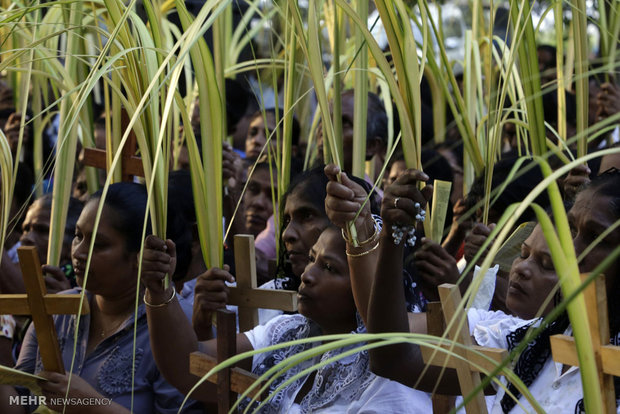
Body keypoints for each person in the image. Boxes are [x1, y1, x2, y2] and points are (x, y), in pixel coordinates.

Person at [364, 168, 620, 413]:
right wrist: (391, 236)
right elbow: (393, 357)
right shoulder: (528, 345)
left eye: (596, 237)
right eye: (572, 229)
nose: (571, 251)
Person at [141, 226, 431, 412]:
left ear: (370, 284)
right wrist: (159, 291)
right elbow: (189, 367)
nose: (306, 275)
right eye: (312, 259)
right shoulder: (291, 333)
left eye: (329, 268)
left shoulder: (393, 376)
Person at [0, 182, 200, 414]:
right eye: (78, 236)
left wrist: (89, 403)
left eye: (98, 244)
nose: (78, 252)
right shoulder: (55, 310)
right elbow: (20, 402)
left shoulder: (176, 327)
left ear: (140, 255)